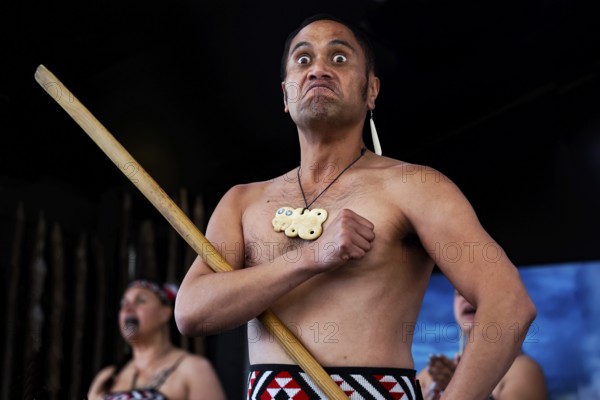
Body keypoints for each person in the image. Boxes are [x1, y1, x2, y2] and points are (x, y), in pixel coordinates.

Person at [175, 13, 537, 399]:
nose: (318, 70)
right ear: (285, 94)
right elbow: (192, 312)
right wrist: (313, 256)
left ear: (371, 91)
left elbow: (509, 303)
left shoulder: (415, 186)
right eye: (303, 60)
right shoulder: (242, 201)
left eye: (339, 58)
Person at [87, 279, 226, 400]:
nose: (128, 308)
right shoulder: (106, 377)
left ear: (165, 313)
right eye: (124, 303)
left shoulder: (193, 369)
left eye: (140, 300)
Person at [417, 290, 548, 400]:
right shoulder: (428, 375)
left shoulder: (523, 370)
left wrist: (462, 390)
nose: (466, 298)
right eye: (459, 293)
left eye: (477, 292)